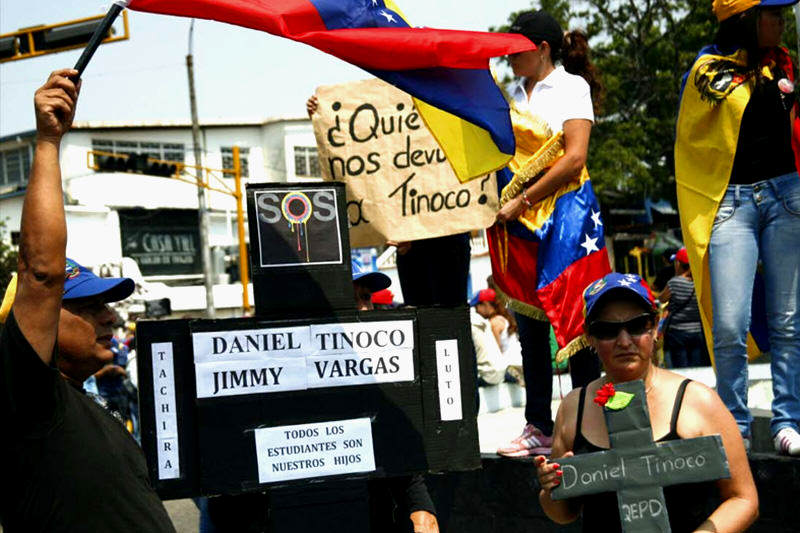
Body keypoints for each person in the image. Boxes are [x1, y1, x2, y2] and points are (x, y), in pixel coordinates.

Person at [0, 69, 175, 531]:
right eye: (90, 307)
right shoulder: (32, 399)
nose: (111, 318)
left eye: (108, 305)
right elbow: (40, 274)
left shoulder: (88, 403)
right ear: (36, 325)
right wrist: (47, 143)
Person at [535, 273, 759, 532]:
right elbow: (564, 514)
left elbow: (744, 499)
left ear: (655, 327)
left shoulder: (698, 401)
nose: (624, 341)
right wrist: (551, 488)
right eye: (607, 330)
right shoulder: (575, 407)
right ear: (590, 337)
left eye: (637, 325)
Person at [675, 0, 800, 455]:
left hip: (788, 196)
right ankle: (736, 430)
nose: (782, 21)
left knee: (788, 321)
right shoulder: (708, 72)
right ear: (746, 19)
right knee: (729, 325)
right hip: (731, 203)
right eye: (773, 13)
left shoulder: (782, 65)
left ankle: (788, 421)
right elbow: (690, 142)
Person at [492, 10, 607, 458]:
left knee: (578, 323)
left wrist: (523, 198)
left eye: (517, 49)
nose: (509, 56)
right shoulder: (508, 96)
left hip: (567, 216)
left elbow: (575, 158)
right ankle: (538, 425)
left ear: (540, 50)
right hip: (519, 224)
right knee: (530, 328)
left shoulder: (572, 88)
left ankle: (589, 427)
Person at [660, 247, 709, 368]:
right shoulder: (698, 283)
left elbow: (662, 298)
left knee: (681, 368)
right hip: (696, 332)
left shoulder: (674, 283)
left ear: (678, 264)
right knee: (696, 367)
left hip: (677, 333)